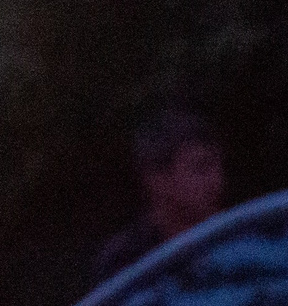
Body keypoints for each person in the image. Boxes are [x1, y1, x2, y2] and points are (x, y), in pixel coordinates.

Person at [92, 106, 227, 284]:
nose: (215, 179)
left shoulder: (236, 234)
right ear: (157, 180)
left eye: (216, 166)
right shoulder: (126, 259)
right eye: (199, 169)